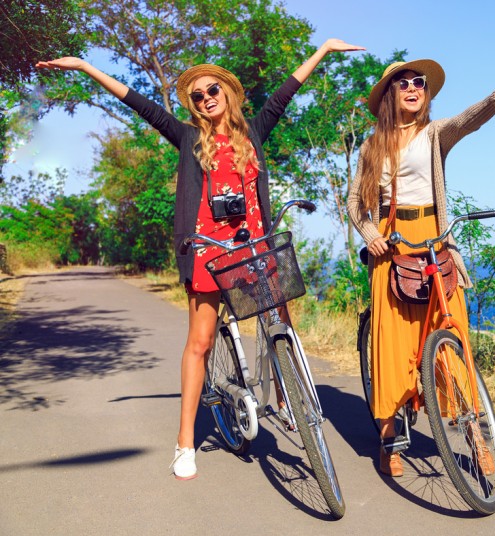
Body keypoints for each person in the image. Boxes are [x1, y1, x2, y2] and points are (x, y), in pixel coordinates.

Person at [37, 38, 364, 480]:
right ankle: (184, 442)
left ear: (227, 93)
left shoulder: (253, 132)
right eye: (198, 95)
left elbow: (287, 90)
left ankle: (287, 397)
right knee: (200, 343)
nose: (207, 98)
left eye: (213, 90)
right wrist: (83, 66)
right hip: (208, 252)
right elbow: (139, 103)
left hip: (253, 247)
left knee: (280, 318)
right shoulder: (189, 138)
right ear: (192, 105)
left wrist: (323, 50)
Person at [347, 59, 495, 477]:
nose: (413, 88)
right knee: (392, 347)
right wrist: (370, 233)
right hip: (391, 246)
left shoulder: (433, 134)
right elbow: (357, 203)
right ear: (390, 93)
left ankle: (475, 438)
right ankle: (389, 438)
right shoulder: (372, 146)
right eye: (403, 82)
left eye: (419, 83)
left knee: (451, 337)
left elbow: (465, 122)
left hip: (434, 240)